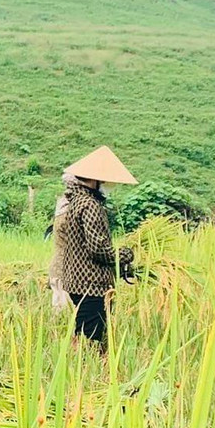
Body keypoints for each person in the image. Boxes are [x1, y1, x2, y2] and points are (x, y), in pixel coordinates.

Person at [49, 146, 138, 350]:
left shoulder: (74, 201)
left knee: (83, 332)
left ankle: (80, 367)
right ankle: (83, 372)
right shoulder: (90, 205)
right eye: (105, 181)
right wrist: (125, 254)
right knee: (90, 340)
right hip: (90, 283)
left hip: (76, 281)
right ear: (93, 181)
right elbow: (99, 248)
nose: (107, 186)